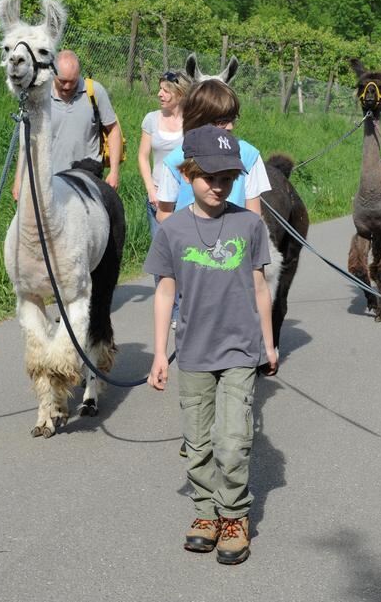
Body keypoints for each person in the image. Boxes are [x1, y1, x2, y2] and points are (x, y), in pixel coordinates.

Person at [144, 125, 278, 566]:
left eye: (226, 178)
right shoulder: (173, 231)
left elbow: (261, 287)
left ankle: (235, 516)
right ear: (187, 175)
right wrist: (160, 353)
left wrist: (269, 345)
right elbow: (165, 292)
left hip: (241, 349)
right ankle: (205, 513)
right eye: (208, 177)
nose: (218, 186)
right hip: (195, 353)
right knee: (198, 442)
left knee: (234, 439)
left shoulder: (249, 224)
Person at [155, 79, 271, 224]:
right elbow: (163, 214)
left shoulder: (248, 155)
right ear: (200, 119)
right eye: (222, 121)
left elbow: (254, 215)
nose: (230, 127)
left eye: (232, 119)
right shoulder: (176, 160)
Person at [11, 49, 123, 197]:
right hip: (48, 179)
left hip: (87, 180)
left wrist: (114, 172)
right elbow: (27, 140)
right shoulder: (39, 96)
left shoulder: (94, 92)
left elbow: (113, 130)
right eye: (62, 81)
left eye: (73, 81)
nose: (67, 86)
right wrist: (19, 179)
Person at [137, 70, 190, 237]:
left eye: (166, 91)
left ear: (180, 94)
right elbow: (143, 157)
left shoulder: (193, 122)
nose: (160, 94)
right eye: (160, 89)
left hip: (185, 197)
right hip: (157, 196)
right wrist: (151, 190)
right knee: (160, 251)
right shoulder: (151, 119)